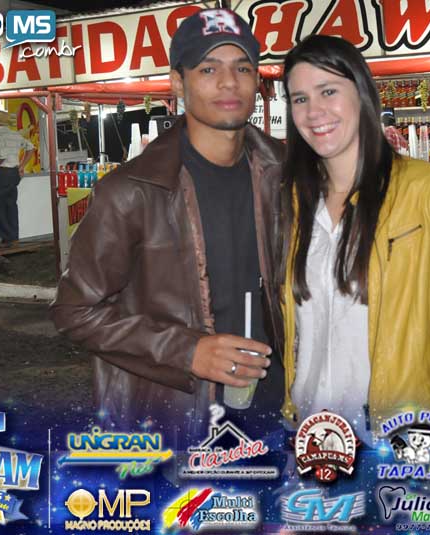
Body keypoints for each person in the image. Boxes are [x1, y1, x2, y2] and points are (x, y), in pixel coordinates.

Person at [51, 9, 284, 439]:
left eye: (242, 68)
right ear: (178, 82)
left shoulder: (285, 174)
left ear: (257, 80)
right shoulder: (131, 191)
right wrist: (186, 350)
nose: (229, 82)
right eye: (208, 69)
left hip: (276, 409)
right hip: (176, 418)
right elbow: (74, 310)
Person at [276, 35, 430, 442]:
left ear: (362, 93)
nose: (313, 111)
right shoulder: (290, 201)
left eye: (328, 91)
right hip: (308, 434)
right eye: (299, 98)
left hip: (399, 439)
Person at [0, 110, 34, 247]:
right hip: (14, 173)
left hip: (4, 173)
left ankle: (8, 238)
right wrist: (21, 166)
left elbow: (1, 156)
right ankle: (14, 237)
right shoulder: (15, 134)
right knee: (11, 205)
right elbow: (30, 148)